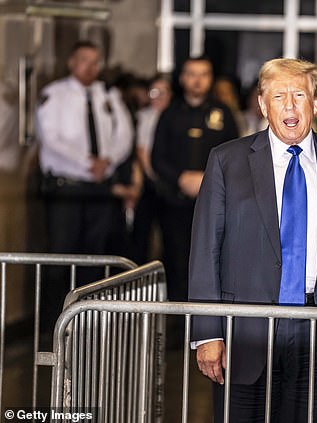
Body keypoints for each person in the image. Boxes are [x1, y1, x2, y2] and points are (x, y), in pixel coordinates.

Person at [189, 58, 317, 423]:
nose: (290, 107)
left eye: (299, 95)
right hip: (244, 331)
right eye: (279, 96)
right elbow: (205, 251)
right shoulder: (227, 161)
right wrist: (207, 332)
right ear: (263, 105)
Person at [35, 40, 133, 326]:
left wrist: (108, 160)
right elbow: (51, 138)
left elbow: (124, 134)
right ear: (71, 62)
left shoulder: (108, 95)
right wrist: (87, 161)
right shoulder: (54, 95)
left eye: (95, 62)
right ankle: (53, 323)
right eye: (84, 61)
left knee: (95, 255)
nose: (91, 68)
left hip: (100, 188)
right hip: (67, 187)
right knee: (62, 255)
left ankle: (87, 323)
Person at [151, 55, 238, 302]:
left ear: (211, 79)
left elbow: (237, 157)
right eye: (192, 74)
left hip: (214, 204)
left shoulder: (223, 113)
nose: (197, 81)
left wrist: (208, 180)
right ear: (182, 78)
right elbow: (158, 157)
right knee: (177, 261)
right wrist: (180, 178)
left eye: (204, 74)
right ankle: (177, 326)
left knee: (212, 262)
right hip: (175, 204)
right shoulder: (170, 113)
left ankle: (209, 326)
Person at [131, 74, 172, 263]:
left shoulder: (175, 116)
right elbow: (140, 150)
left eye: (163, 92)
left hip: (170, 182)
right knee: (141, 236)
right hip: (148, 183)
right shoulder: (142, 117)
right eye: (154, 92)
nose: (159, 97)